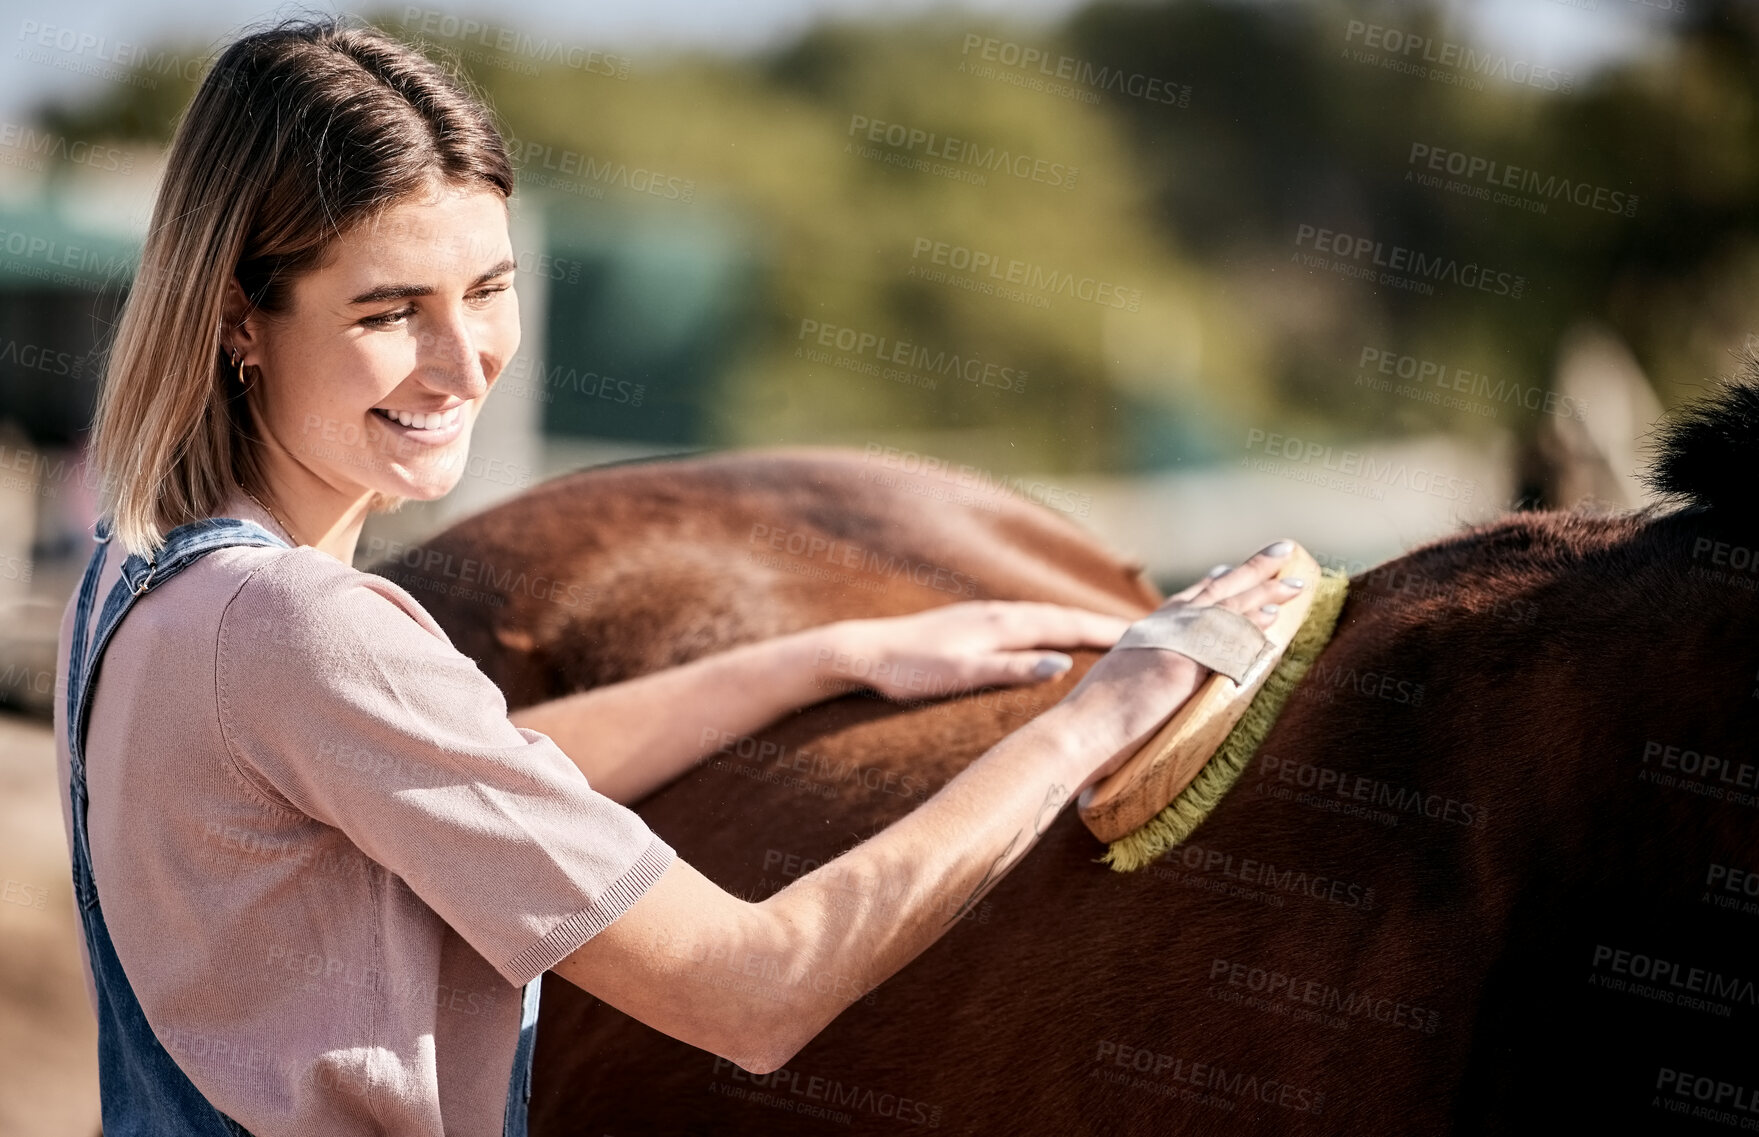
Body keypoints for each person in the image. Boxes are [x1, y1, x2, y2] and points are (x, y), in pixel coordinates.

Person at [52, 18, 1306, 1137]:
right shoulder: (300, 628)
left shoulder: (141, 576)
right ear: (238, 321)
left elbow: (451, 769)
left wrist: (815, 660)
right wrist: (1093, 716)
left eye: (489, 289)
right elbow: (756, 988)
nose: (464, 361)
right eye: (389, 313)